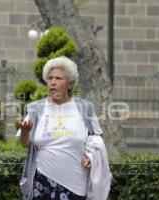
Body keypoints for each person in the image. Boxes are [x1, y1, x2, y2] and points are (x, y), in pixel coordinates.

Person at [17, 56, 111, 200]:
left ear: (70, 84)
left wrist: (91, 155)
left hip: (75, 184)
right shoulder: (35, 109)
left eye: (58, 78)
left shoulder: (85, 108)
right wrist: (25, 132)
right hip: (41, 182)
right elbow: (25, 144)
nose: (53, 82)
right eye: (50, 78)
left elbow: (96, 137)